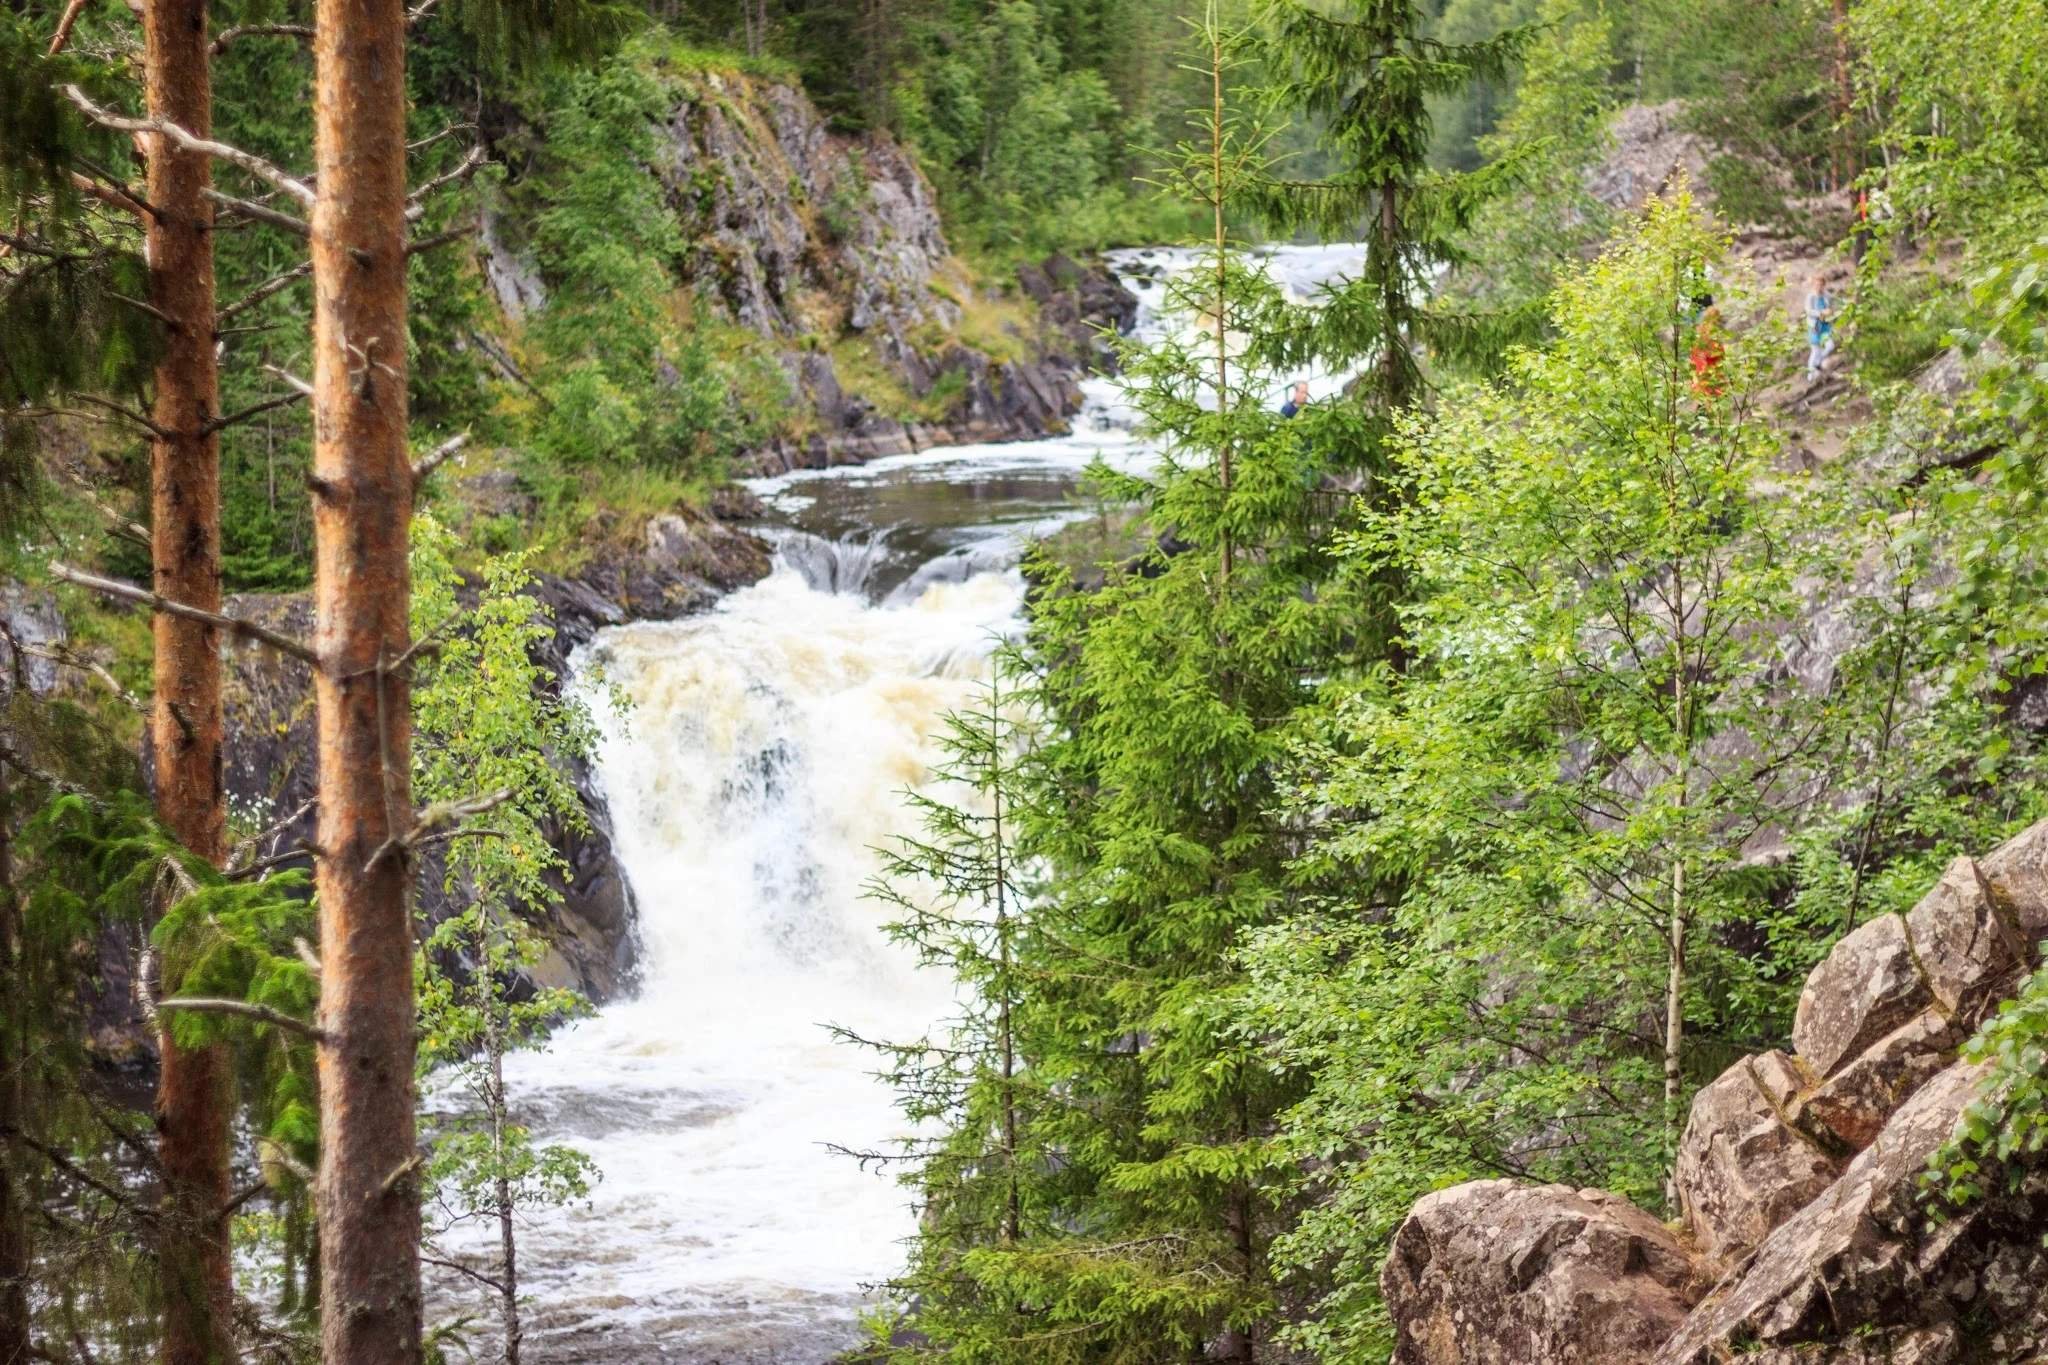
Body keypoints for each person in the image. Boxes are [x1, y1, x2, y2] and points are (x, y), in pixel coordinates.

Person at [1805, 274, 1837, 382]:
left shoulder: (1827, 296)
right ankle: (1810, 374)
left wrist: (1830, 312)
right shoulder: (1810, 297)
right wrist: (1820, 313)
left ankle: (1818, 363)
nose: (1819, 287)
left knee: (1830, 346)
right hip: (1815, 327)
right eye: (1817, 285)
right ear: (1814, 285)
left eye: (1821, 285)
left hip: (1825, 326)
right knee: (1815, 350)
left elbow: (1833, 306)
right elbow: (1809, 311)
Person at [1690, 304, 1726, 397]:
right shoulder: (1713, 338)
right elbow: (1718, 360)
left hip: (1699, 380)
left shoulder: (1699, 337)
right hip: (1711, 381)